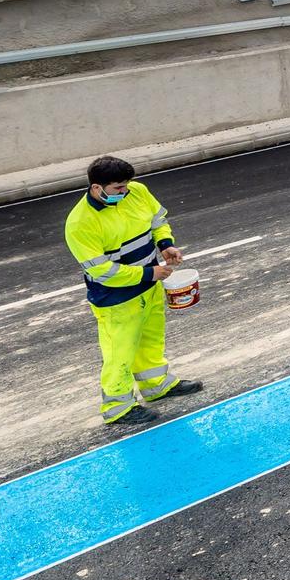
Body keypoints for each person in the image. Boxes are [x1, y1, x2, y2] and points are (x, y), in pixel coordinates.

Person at [65, 155, 205, 427]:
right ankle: (117, 407)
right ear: (97, 188)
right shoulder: (80, 223)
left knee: (151, 340)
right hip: (116, 299)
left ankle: (157, 386)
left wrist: (165, 245)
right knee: (120, 352)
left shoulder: (136, 192)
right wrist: (148, 273)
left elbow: (157, 220)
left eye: (126, 186)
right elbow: (102, 271)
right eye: (118, 189)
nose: (125, 192)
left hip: (149, 287)